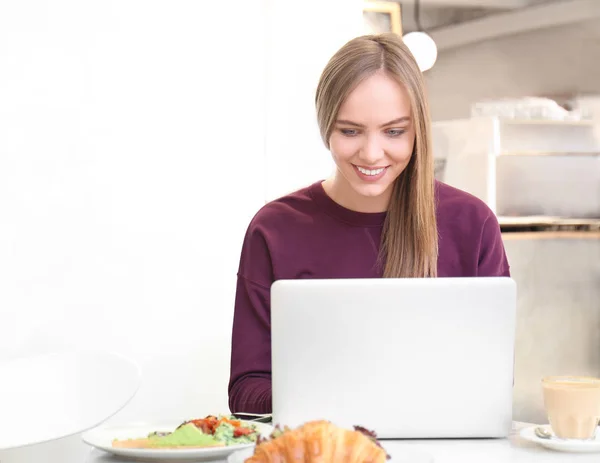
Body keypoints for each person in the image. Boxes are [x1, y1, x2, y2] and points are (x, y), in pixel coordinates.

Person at [228, 33, 510, 415]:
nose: (372, 153)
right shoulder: (275, 229)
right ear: (325, 125)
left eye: (394, 131)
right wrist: (342, 398)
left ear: (418, 130)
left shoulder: (472, 225)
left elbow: (493, 380)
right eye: (350, 131)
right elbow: (247, 393)